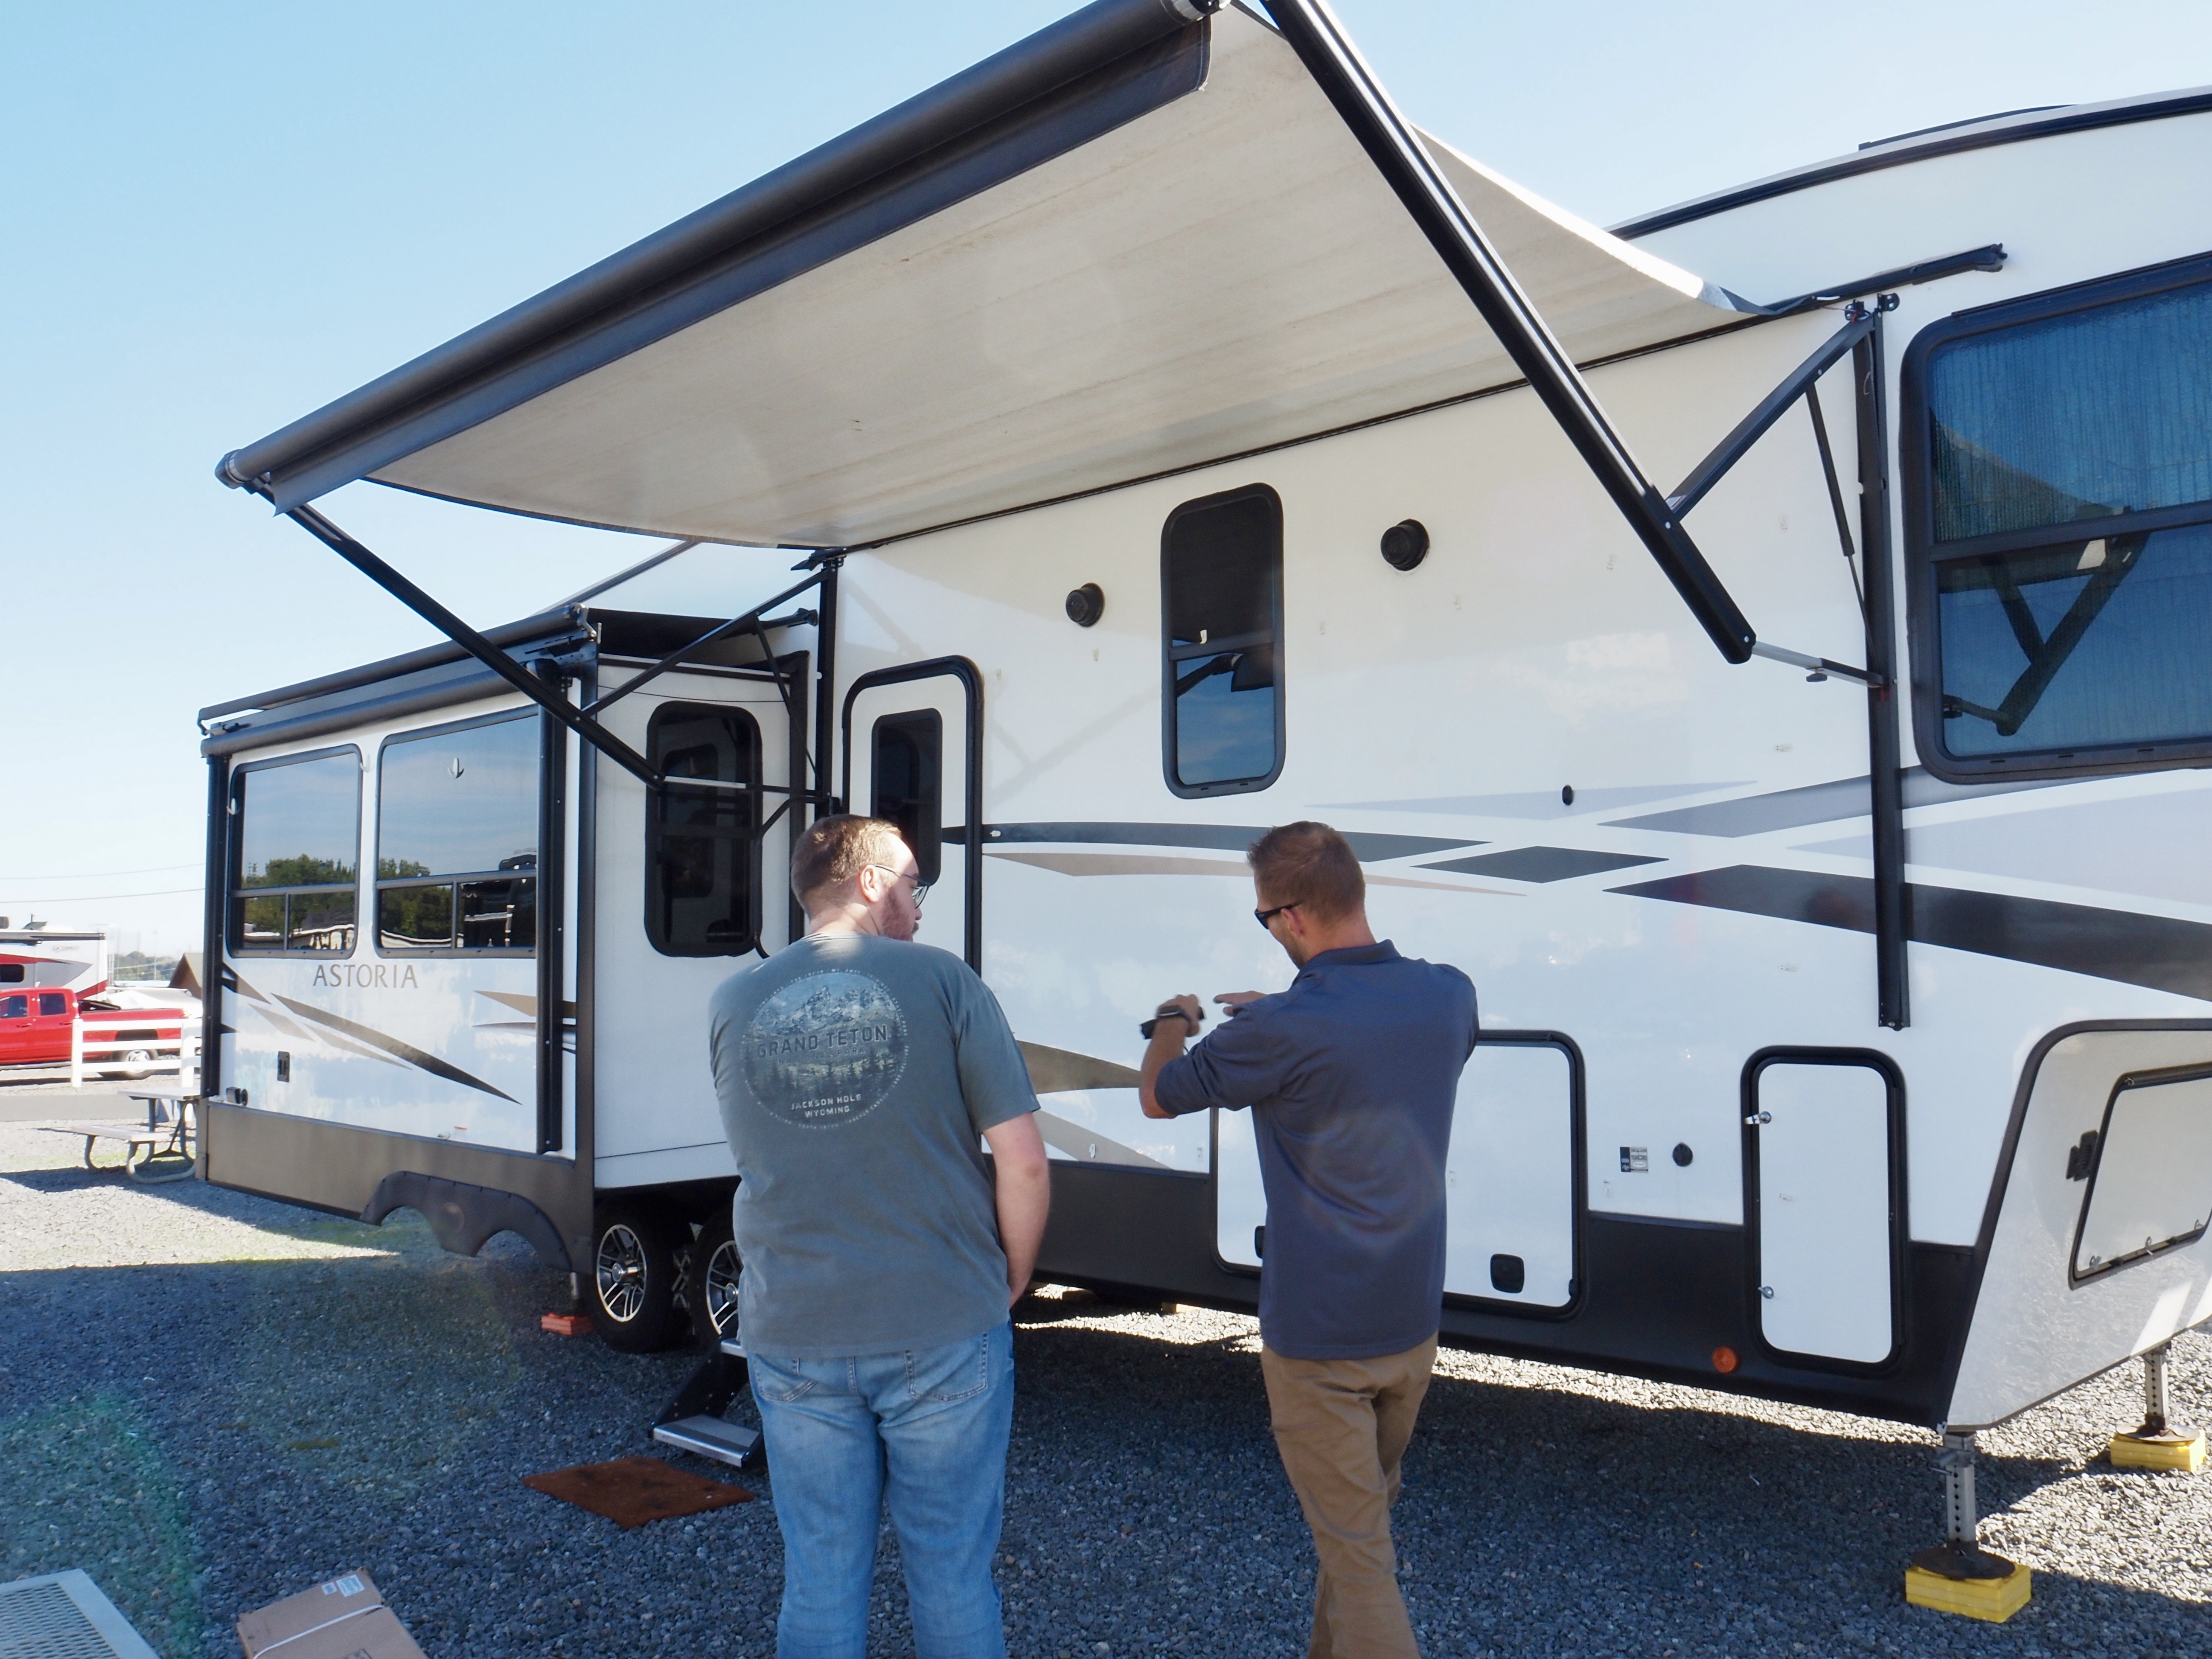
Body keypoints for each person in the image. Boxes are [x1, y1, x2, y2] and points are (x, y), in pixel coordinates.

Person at [708, 814, 1051, 1659]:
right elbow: (1023, 1161)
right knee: (953, 1578)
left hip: (794, 1326)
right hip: (943, 1319)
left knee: (820, 1582)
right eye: (910, 883)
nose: (919, 904)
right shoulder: (945, 981)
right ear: (868, 883)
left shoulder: (733, 1003)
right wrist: (1010, 1278)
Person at [1138, 821, 1477, 1659]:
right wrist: (1285, 1013)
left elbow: (1161, 1095)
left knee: (1359, 1560)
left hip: (1319, 1341)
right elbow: (1361, 1041)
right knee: (1353, 1529)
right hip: (1412, 1327)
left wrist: (1174, 1020)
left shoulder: (1277, 1032)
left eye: (1265, 918)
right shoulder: (1449, 995)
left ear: (1290, 917)